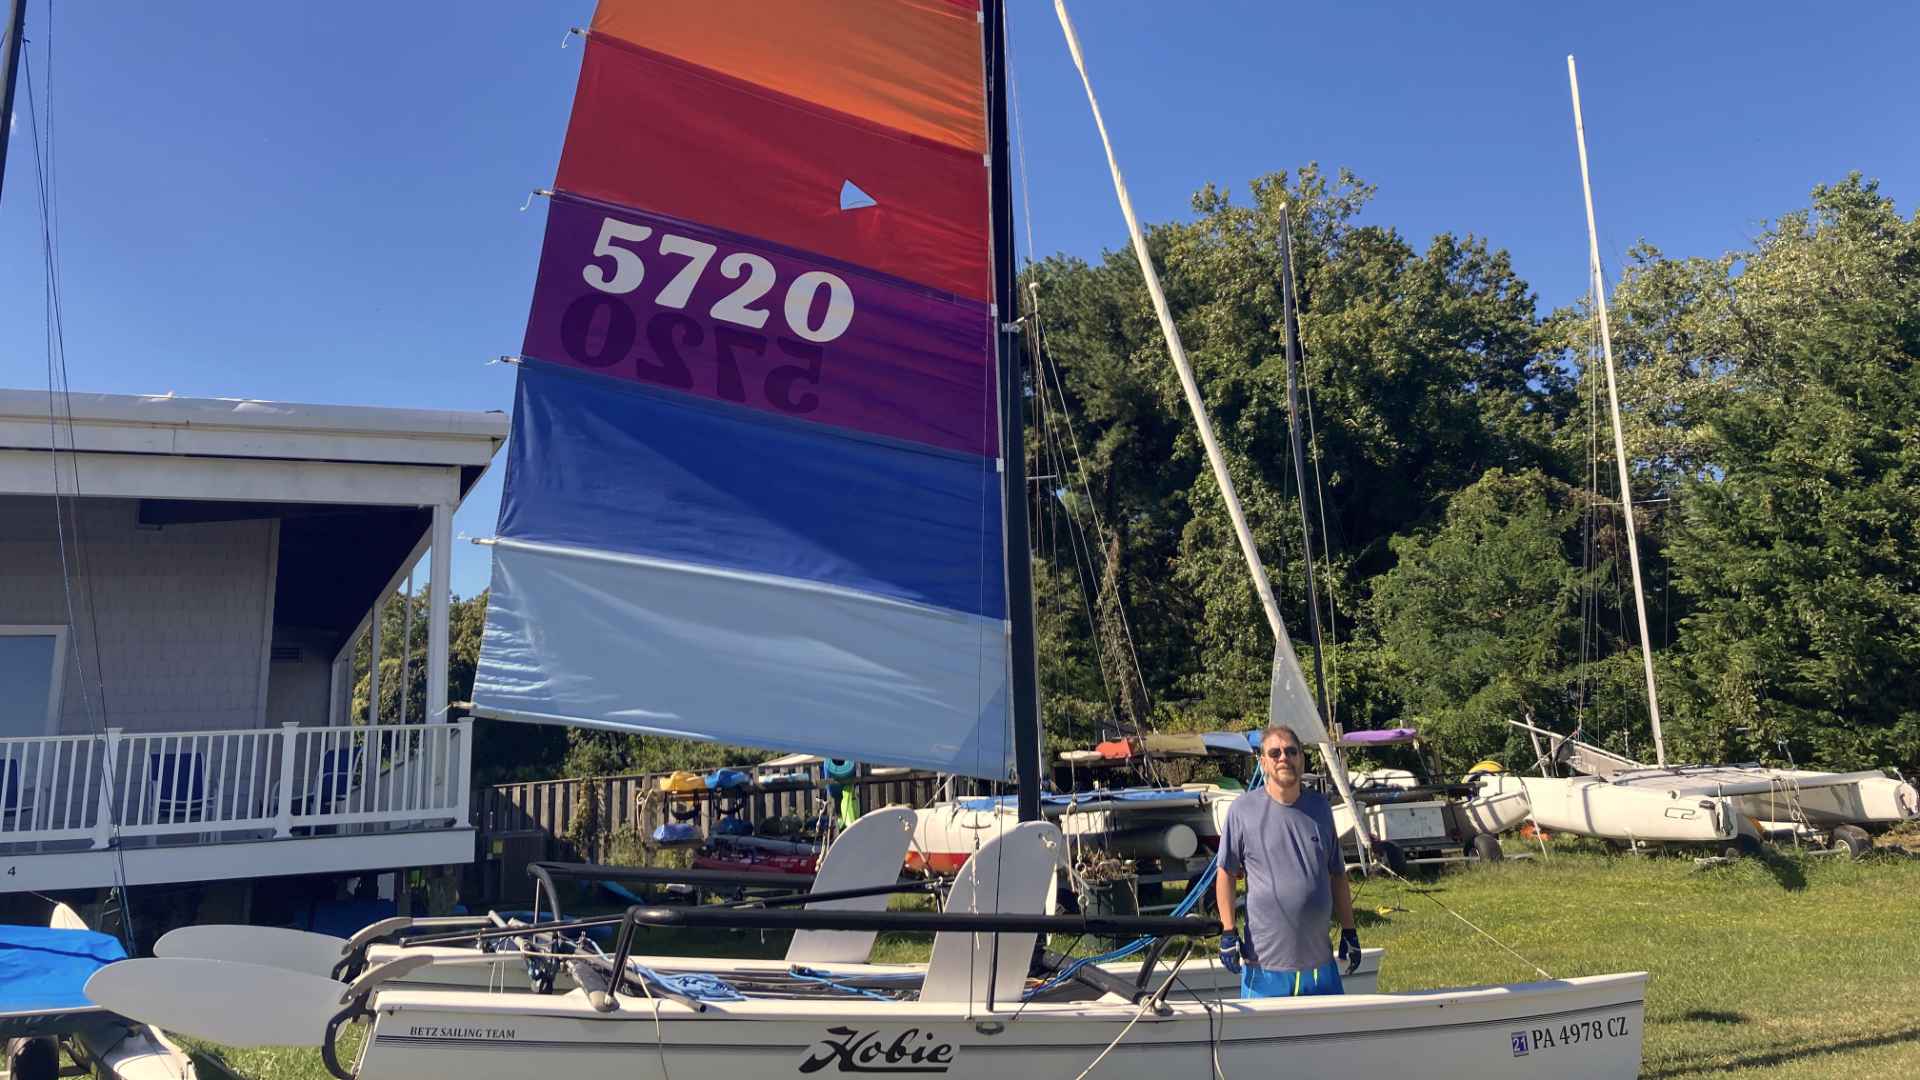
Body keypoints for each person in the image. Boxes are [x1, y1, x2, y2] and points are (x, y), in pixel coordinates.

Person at [1213, 724, 1360, 997]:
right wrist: (1228, 931)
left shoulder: (1320, 808)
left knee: (1331, 1039)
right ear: (1263, 762)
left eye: (1291, 751)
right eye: (1275, 752)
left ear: (1301, 759)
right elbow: (1226, 873)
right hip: (1265, 967)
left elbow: (1337, 874)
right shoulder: (1243, 810)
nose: (1284, 758)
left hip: (1320, 966)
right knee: (1262, 1040)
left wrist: (1350, 931)